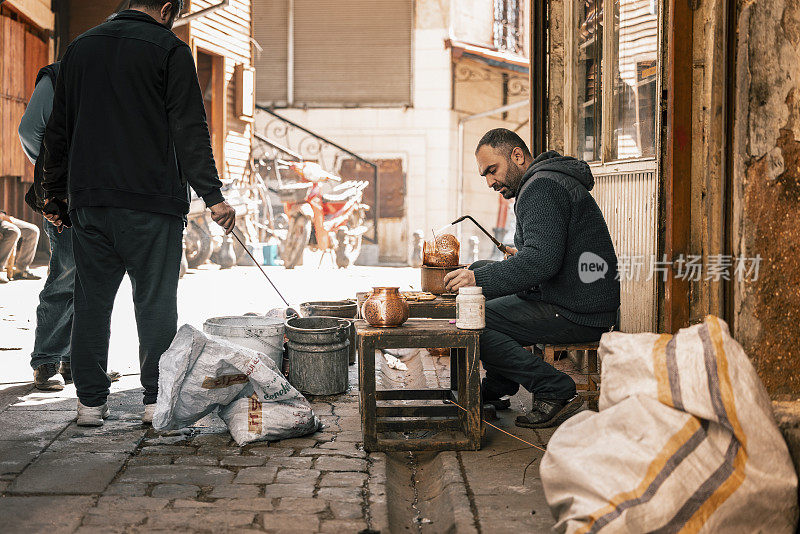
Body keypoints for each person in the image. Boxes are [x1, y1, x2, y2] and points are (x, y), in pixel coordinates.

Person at [41, 0, 236, 427]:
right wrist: (213, 196)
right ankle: (154, 400)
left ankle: (90, 404)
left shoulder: (79, 48)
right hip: (152, 203)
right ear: (168, 8)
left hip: (89, 202)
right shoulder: (169, 49)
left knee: (90, 302)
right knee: (154, 304)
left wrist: (53, 198)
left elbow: (58, 128)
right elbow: (189, 127)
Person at [444, 128, 620, 429]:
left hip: (577, 308)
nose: (490, 182)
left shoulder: (541, 188)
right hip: (573, 296)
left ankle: (554, 389)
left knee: (473, 320)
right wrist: (511, 259)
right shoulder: (546, 181)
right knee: (482, 273)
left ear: (516, 155)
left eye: (492, 170)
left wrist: (478, 278)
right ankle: (500, 386)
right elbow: (545, 252)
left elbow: (541, 262)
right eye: (485, 175)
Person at [0, 209, 40, 283]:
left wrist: (3, 215)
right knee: (13, 231)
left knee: (33, 231)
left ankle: (21, 270)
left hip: (1, 217)